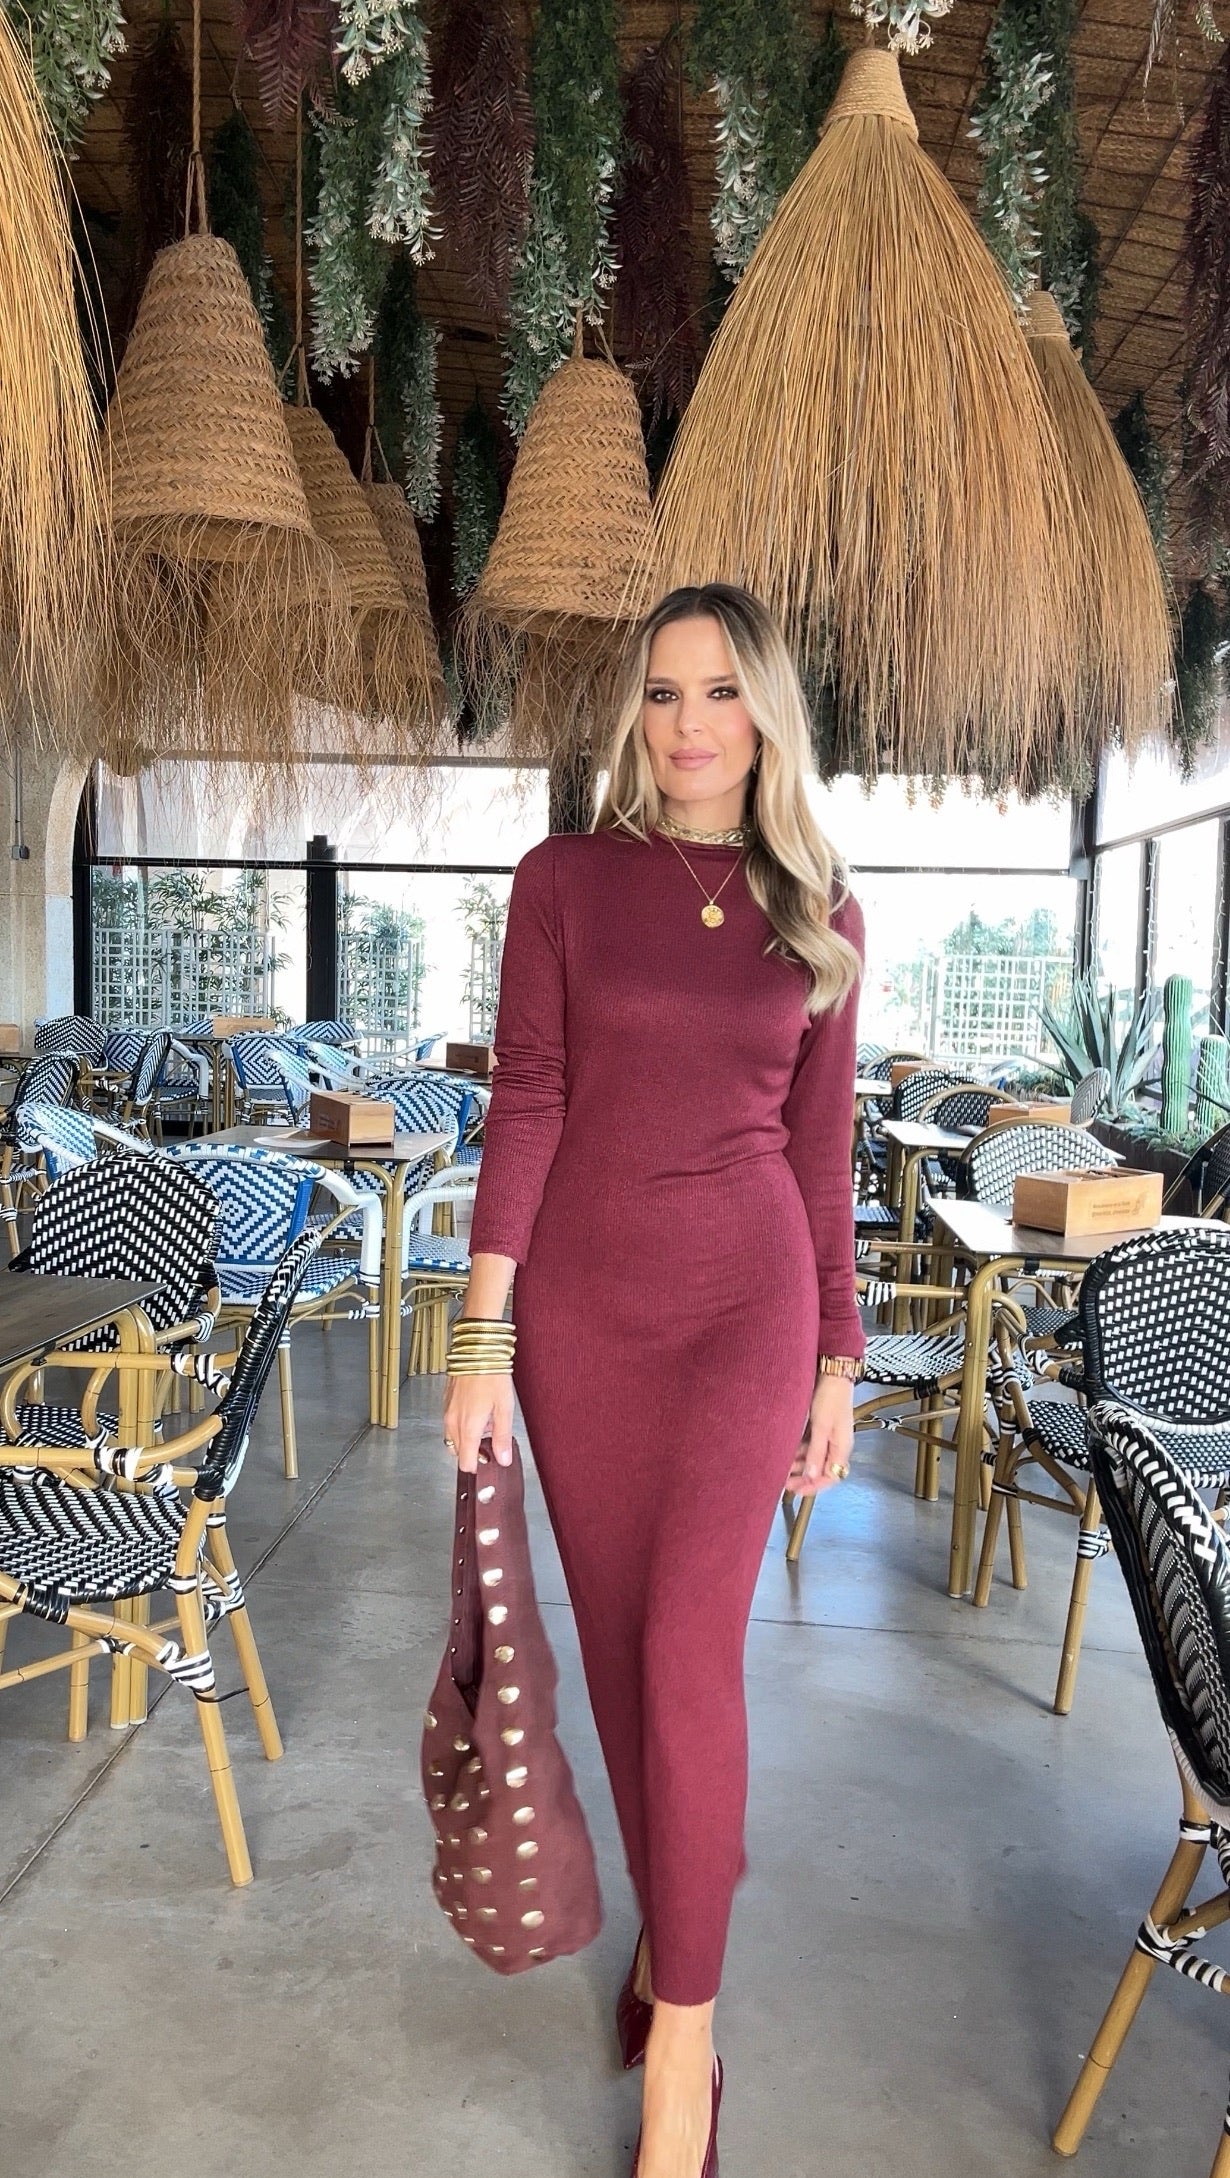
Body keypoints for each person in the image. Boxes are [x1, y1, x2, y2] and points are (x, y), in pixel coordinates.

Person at [442, 583, 865, 2178]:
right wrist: (481, 1335)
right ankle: (670, 1934)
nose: (690, 723)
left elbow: (819, 1155)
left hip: (745, 1308)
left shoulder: (820, 905)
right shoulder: (562, 879)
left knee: (687, 1646)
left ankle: (684, 2034)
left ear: (766, 715)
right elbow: (530, 1101)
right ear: (636, 711)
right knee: (625, 1658)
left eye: (722, 691)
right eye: (665, 691)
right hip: (582, 1319)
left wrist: (837, 1356)